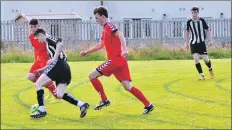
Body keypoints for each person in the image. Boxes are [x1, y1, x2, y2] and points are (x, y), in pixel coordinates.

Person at [80, 6, 154, 114]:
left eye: (97, 18)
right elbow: (100, 45)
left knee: (92, 76)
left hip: (114, 60)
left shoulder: (109, 25)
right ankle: (148, 104)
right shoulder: (105, 29)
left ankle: (104, 100)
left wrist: (124, 49)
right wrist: (86, 52)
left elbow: (120, 35)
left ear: (103, 16)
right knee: (128, 86)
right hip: (120, 62)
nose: (96, 21)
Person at [30, 28, 89, 118]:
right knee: (59, 94)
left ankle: (42, 110)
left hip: (59, 65)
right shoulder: (48, 44)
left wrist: (54, 58)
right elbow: (59, 57)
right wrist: (44, 68)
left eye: (38, 38)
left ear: (41, 35)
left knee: (38, 84)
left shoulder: (48, 38)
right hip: (64, 68)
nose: (38, 40)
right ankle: (82, 104)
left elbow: (60, 43)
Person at [27, 18, 57, 97]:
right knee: (30, 76)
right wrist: (35, 60)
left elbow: (52, 47)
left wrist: (53, 59)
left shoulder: (44, 36)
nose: (33, 29)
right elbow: (36, 50)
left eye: (34, 26)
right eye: (31, 27)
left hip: (46, 60)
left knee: (42, 76)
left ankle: (54, 91)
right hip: (38, 60)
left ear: (38, 26)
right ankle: (50, 86)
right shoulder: (30, 37)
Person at [185, 7, 214, 80]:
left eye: (195, 12)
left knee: (205, 60)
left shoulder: (202, 20)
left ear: (198, 13)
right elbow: (187, 32)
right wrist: (186, 43)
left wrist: (210, 40)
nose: (193, 14)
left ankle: (210, 69)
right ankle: (202, 75)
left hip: (201, 43)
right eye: (192, 13)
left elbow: (208, 30)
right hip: (193, 43)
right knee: (196, 59)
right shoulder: (189, 22)